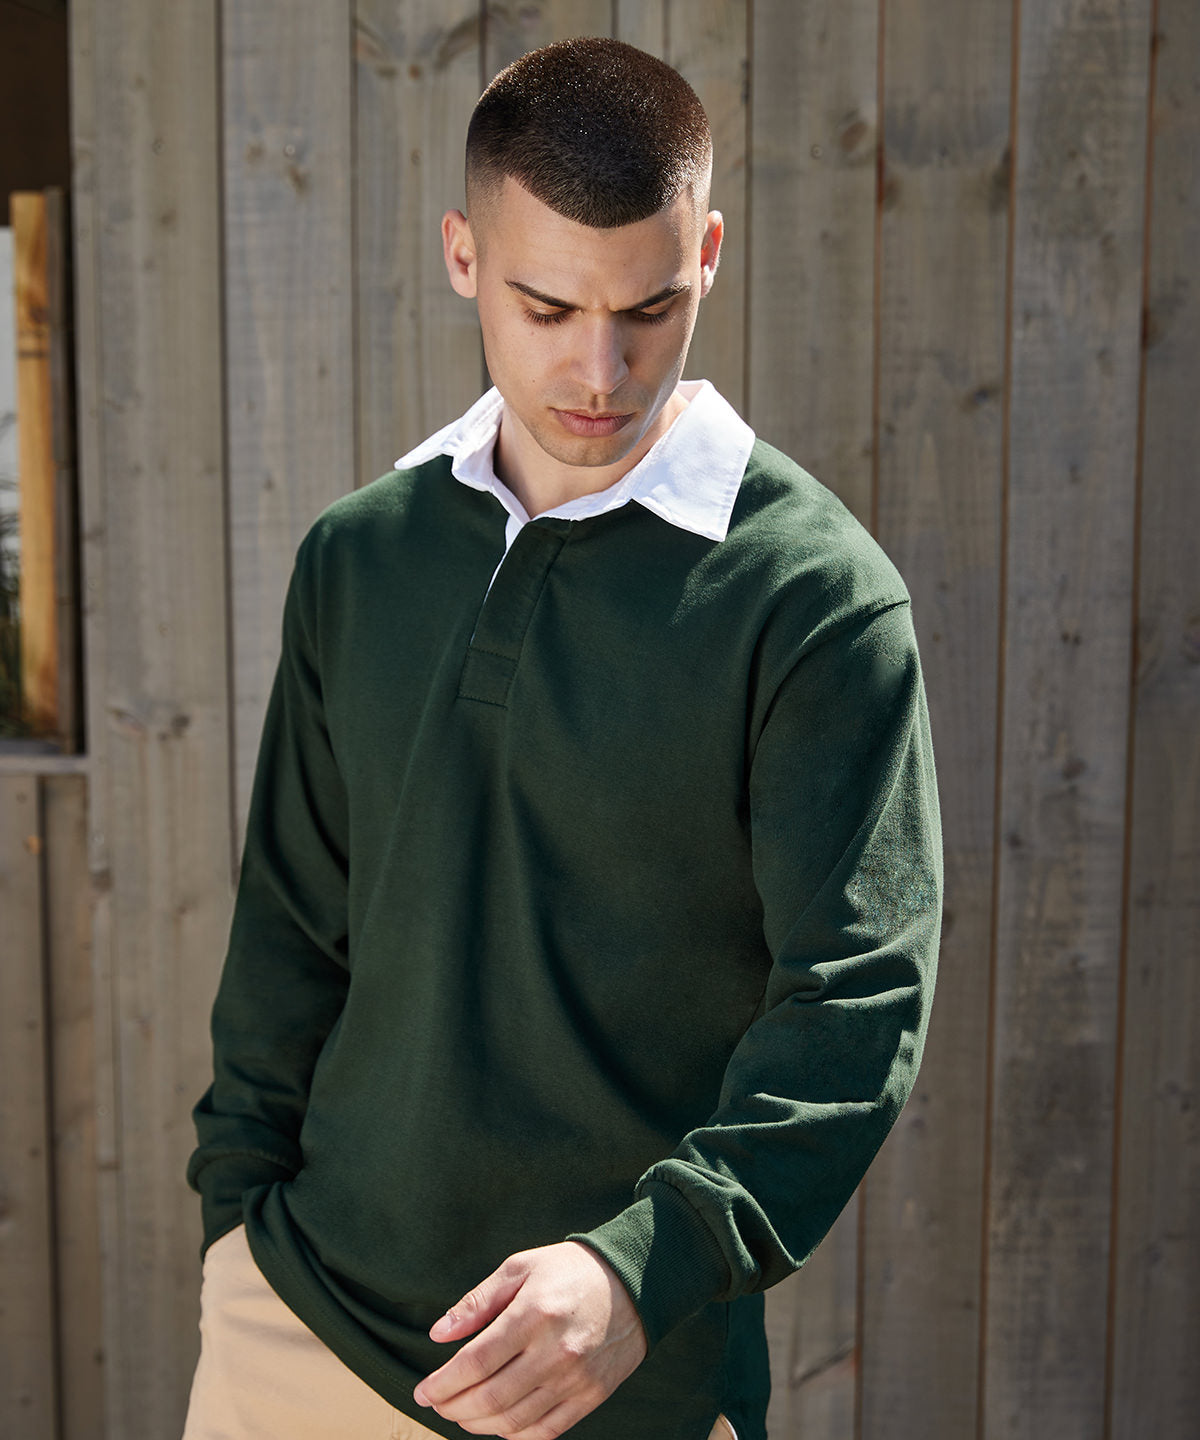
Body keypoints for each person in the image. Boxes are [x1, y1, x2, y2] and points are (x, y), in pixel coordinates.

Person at [183, 35, 941, 1440]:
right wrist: (238, 1228)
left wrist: (646, 1270)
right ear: (464, 257)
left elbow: (857, 1002)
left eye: (650, 307)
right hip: (296, 1329)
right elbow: (291, 928)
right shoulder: (361, 559)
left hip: (619, 1381)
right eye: (547, 308)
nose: (601, 368)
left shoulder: (814, 600)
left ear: (708, 253)